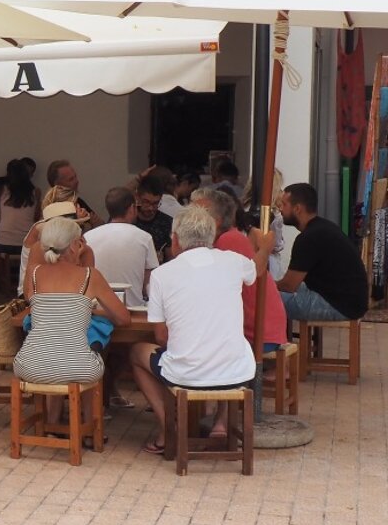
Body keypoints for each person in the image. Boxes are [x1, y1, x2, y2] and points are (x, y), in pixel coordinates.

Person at [129, 206, 257, 455]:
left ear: (175, 239)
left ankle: (169, 428)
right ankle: (220, 424)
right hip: (238, 373)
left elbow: (161, 337)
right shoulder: (234, 261)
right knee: (227, 348)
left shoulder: (161, 275)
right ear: (212, 237)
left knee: (136, 352)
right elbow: (257, 269)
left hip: (184, 375)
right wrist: (262, 247)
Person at [13, 218, 130, 428]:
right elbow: (123, 318)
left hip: (29, 365)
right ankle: (88, 427)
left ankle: (51, 425)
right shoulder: (90, 276)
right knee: (86, 355)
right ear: (75, 244)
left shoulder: (34, 273)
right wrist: (90, 306)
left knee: (58, 352)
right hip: (77, 368)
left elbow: (34, 300)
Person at [192, 188, 284, 353]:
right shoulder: (229, 238)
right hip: (260, 333)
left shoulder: (228, 240)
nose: (188, 216)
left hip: (257, 337)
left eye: (196, 212)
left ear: (216, 220)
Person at [277, 183, 368, 322]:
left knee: (264, 298)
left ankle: (271, 342)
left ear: (297, 209)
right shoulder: (323, 227)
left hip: (339, 306)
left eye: (284, 204)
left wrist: (265, 284)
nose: (280, 209)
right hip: (350, 302)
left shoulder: (308, 238)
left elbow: (289, 286)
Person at [84, 188, 158, 309]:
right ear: (131, 208)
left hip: (97, 310)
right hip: (133, 309)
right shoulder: (144, 238)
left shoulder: (88, 237)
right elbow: (149, 282)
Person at [0, 159, 41, 291]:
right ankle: (29, 282)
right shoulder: (35, 192)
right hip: (26, 242)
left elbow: (0, 216)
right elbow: (36, 217)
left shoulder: (3, 190)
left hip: (4, 243)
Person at [46, 159, 102, 228]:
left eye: (75, 176)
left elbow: (98, 222)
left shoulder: (79, 202)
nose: (76, 181)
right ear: (57, 185)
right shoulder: (52, 210)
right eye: (71, 179)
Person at [134, 175, 174, 261]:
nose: (150, 208)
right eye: (146, 202)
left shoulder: (167, 222)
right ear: (137, 197)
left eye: (155, 203)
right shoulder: (127, 220)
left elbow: (171, 258)